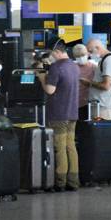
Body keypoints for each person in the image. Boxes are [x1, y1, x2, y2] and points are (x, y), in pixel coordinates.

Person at [37, 40, 81, 192]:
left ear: (56, 51)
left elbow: (50, 90)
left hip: (58, 114)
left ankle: (60, 182)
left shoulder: (56, 67)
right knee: (71, 146)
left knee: (59, 147)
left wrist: (42, 78)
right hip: (72, 112)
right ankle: (73, 182)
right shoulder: (74, 66)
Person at [84, 39, 111, 121]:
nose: (89, 54)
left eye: (90, 51)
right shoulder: (103, 60)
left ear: (97, 48)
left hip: (104, 108)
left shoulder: (109, 60)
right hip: (99, 106)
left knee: (102, 132)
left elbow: (106, 85)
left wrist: (89, 83)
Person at [72, 43, 96, 122]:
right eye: (78, 56)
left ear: (87, 54)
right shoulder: (72, 66)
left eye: (83, 55)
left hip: (89, 102)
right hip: (74, 103)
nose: (81, 58)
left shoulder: (94, 66)